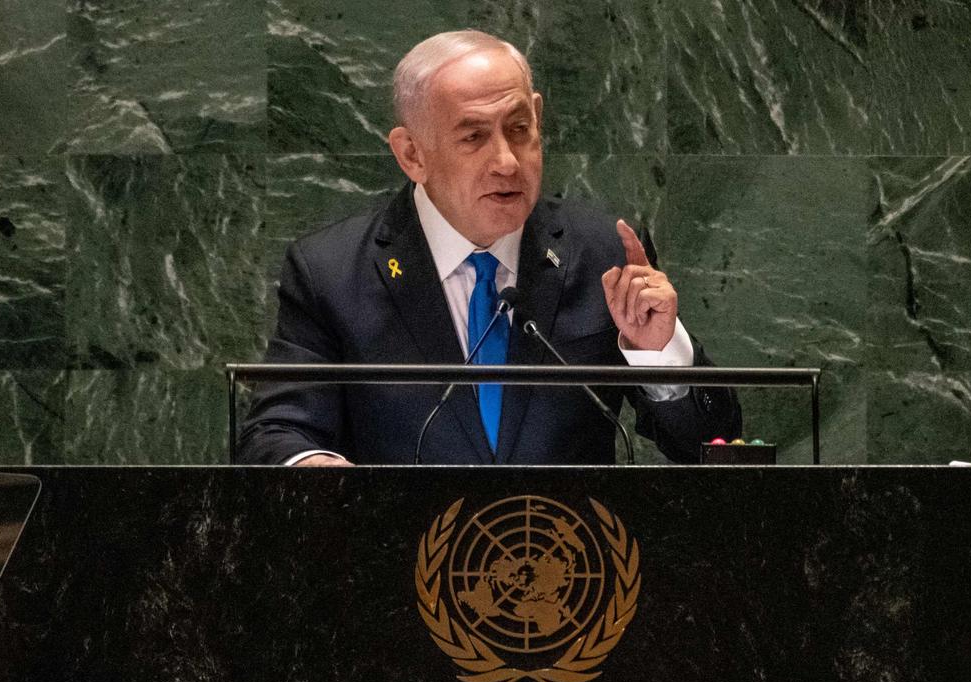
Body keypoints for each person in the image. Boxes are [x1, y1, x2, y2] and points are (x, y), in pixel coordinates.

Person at [238, 30, 740, 465]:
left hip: (575, 564)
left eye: (519, 129)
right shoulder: (331, 271)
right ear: (412, 154)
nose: (506, 160)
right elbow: (277, 432)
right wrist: (314, 467)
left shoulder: (602, 253)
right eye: (474, 137)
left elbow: (712, 445)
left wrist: (658, 356)